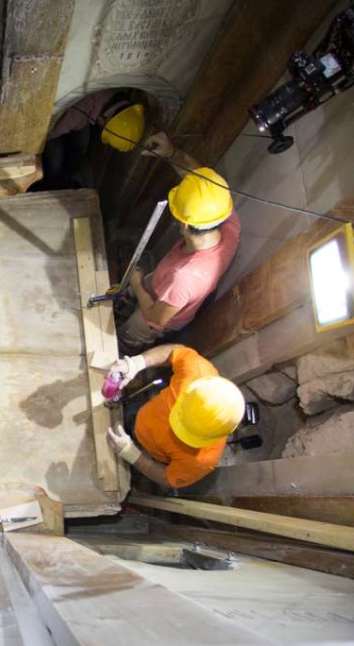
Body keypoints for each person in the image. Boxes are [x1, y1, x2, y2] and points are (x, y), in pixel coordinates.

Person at [116, 132, 241, 354]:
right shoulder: (227, 222)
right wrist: (171, 152)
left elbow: (156, 317)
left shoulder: (185, 276)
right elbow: (199, 184)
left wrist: (136, 284)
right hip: (162, 284)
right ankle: (121, 306)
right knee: (132, 293)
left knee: (128, 334)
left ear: (183, 226)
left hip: (152, 318)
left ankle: (120, 346)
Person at [104, 343, 244, 490]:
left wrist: (133, 455)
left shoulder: (202, 461)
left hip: (147, 451)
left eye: (186, 433)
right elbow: (175, 351)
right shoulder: (196, 372)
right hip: (142, 413)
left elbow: (167, 478)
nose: (174, 429)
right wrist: (135, 363)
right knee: (129, 413)